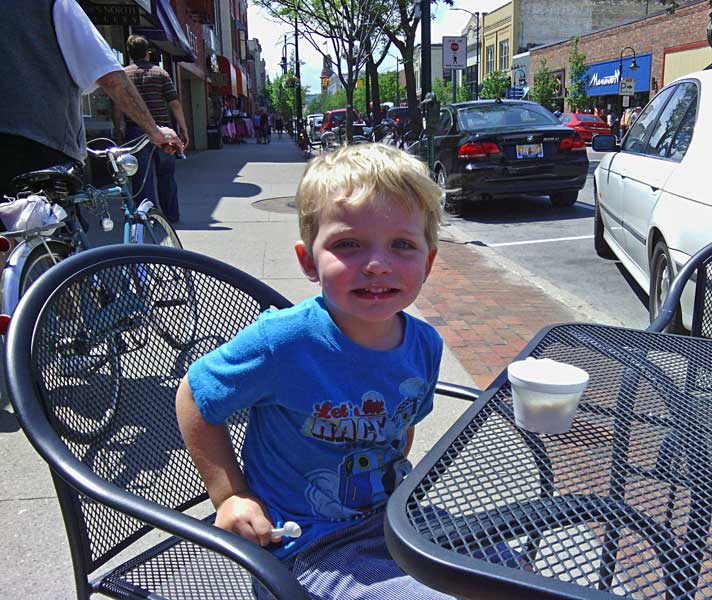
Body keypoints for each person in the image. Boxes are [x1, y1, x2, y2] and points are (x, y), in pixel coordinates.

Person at [176, 143, 454, 600]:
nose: (377, 264)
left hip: (394, 522)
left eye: (402, 244)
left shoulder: (425, 345)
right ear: (308, 261)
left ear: (427, 263)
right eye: (348, 244)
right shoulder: (284, 343)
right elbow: (194, 395)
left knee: (508, 575)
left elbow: (400, 431)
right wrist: (229, 496)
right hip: (304, 546)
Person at [0, 0, 183, 202]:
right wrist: (155, 131)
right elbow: (111, 79)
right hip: (41, 148)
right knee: (51, 224)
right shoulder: (52, 4)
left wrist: (118, 125)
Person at [112, 35, 188, 224]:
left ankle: (148, 217)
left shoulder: (124, 74)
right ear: (148, 53)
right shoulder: (160, 73)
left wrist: (118, 127)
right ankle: (171, 214)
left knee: (141, 177)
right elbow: (175, 103)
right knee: (166, 175)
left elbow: (118, 106)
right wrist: (184, 130)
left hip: (135, 131)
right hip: (163, 132)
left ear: (129, 54)